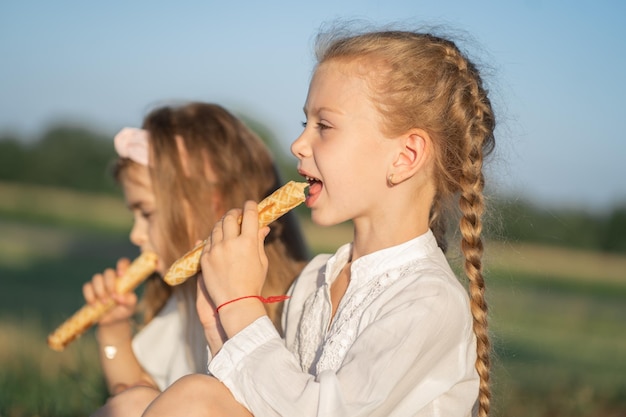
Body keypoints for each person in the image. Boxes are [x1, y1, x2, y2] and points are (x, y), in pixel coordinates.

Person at [142, 27, 496, 417]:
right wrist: (221, 327)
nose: (298, 144)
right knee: (150, 401)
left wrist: (241, 305)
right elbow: (269, 402)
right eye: (304, 123)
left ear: (405, 156)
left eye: (323, 126)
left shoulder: (429, 301)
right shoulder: (314, 278)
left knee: (193, 398)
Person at [82, 102, 309, 416]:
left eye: (146, 213)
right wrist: (113, 331)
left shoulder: (294, 304)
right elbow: (138, 394)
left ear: (211, 201)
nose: (136, 235)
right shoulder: (188, 297)